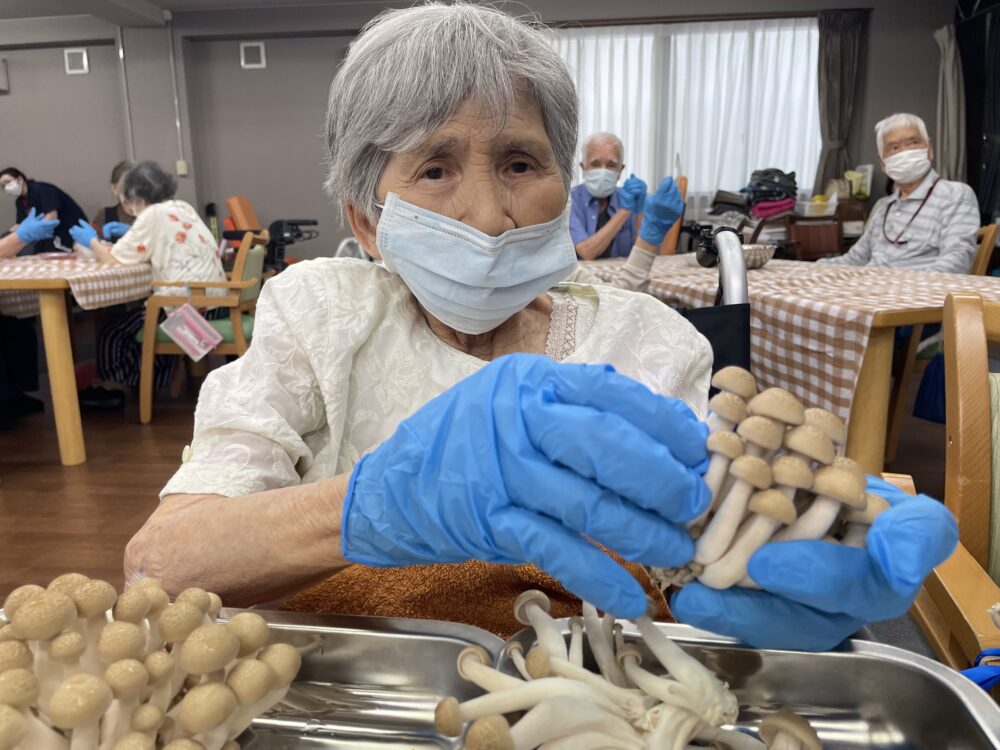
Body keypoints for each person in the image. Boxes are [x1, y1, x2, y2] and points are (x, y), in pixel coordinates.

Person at [123, 3, 955, 650]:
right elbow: (161, 565)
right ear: (368, 222)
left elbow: (701, 544)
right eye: (435, 168)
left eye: (520, 163)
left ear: (566, 186)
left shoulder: (650, 342)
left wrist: (802, 550)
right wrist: (374, 505)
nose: (487, 214)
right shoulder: (318, 316)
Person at [69, 161, 227, 409]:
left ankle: (113, 388)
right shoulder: (182, 207)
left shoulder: (152, 215)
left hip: (190, 309)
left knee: (113, 331)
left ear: (137, 196)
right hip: (218, 302)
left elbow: (114, 260)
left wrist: (91, 242)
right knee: (139, 318)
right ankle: (147, 382)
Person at [820, 113, 980, 273]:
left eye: (913, 142)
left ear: (929, 149)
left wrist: (899, 288)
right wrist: (813, 268)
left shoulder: (956, 195)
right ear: (882, 162)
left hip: (914, 294)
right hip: (869, 288)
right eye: (894, 147)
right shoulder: (884, 208)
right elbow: (854, 259)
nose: (905, 152)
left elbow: (957, 262)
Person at [571, 133, 664, 260]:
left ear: (620, 170)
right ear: (583, 167)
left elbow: (647, 255)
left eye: (611, 165)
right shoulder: (569, 201)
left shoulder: (630, 198)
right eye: (595, 164)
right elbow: (587, 252)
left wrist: (640, 212)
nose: (603, 172)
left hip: (620, 275)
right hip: (581, 278)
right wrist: (624, 211)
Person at [0, 167, 87, 254]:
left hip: (68, 232)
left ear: (19, 180)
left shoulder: (43, 190)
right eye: (3, 186)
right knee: (22, 251)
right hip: (47, 235)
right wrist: (6, 237)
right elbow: (19, 224)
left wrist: (30, 232)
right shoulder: (20, 201)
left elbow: (51, 218)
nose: (6, 187)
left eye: (7, 182)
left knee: (46, 250)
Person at [91, 160, 136, 241]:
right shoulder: (106, 215)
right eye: (126, 187)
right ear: (115, 189)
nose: (132, 193)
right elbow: (88, 245)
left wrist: (132, 231)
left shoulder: (155, 214)